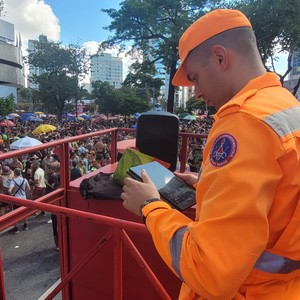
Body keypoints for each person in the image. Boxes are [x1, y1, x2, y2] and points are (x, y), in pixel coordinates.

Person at [121, 9, 300, 300]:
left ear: (220, 57)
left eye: (195, 78)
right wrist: (207, 183)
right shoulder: (283, 104)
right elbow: (277, 197)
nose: (197, 92)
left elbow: (210, 272)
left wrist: (150, 207)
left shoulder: (244, 122)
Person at [8, 168, 30, 233]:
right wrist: (23, 192)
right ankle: (25, 225)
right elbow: (28, 189)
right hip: (24, 198)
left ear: (14, 173)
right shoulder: (24, 180)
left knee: (15, 214)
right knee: (24, 212)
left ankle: (16, 228)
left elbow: (9, 190)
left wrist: (12, 194)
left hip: (16, 199)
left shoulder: (13, 181)